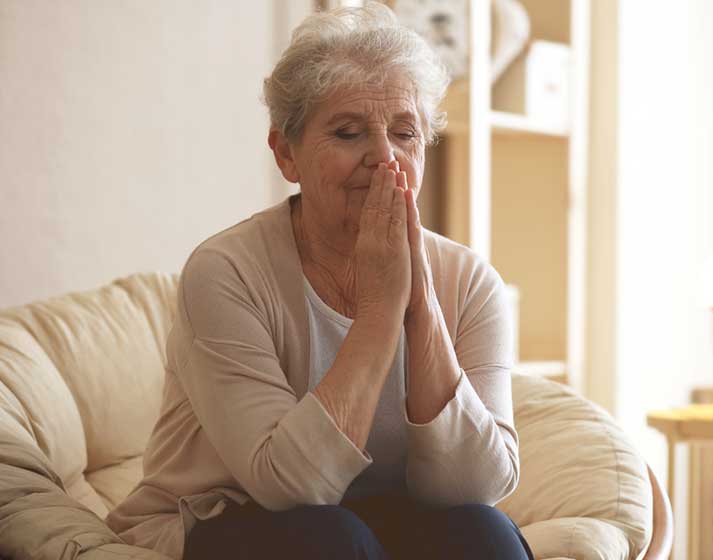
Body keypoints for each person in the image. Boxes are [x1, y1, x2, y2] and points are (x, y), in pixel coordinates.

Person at [107, 4, 531, 559]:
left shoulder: (470, 281)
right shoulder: (225, 271)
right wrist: (381, 310)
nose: (385, 159)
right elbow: (287, 485)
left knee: (483, 533)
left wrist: (420, 303)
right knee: (331, 538)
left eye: (405, 133)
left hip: (382, 519)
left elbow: (478, 487)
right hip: (228, 517)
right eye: (348, 132)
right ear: (287, 153)